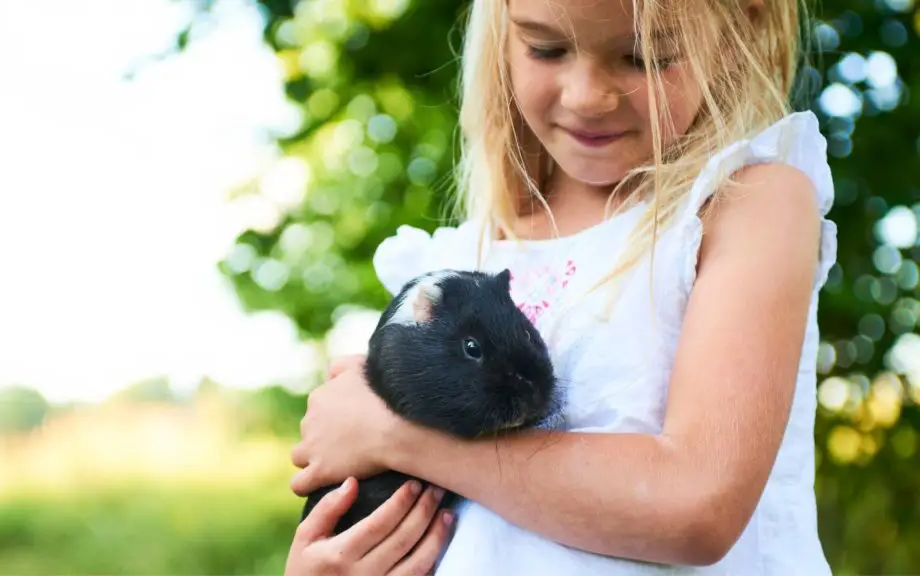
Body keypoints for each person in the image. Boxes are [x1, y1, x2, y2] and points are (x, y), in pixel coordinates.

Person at [285, 0, 836, 573]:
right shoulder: (456, 259)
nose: (586, 96)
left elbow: (695, 507)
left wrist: (399, 438)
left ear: (739, 26)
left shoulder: (745, 206)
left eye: (645, 56)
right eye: (546, 48)